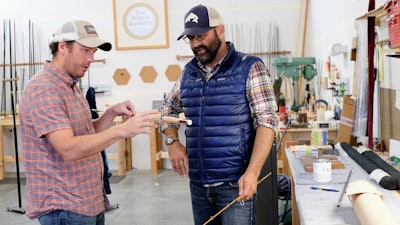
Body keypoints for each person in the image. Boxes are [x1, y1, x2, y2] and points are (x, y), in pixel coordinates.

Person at [19, 19, 160, 225]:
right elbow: (69, 148)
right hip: (65, 207)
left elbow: (84, 133)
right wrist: (121, 130)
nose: (92, 59)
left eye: (93, 52)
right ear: (63, 47)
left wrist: (110, 114)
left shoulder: (70, 85)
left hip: (86, 201)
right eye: (85, 51)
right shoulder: (45, 89)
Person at [160, 5, 278, 225]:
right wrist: (172, 141)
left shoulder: (250, 68)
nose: (196, 44)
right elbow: (167, 109)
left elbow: (267, 121)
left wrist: (252, 173)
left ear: (220, 31)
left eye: (201, 36)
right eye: (190, 38)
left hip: (236, 184)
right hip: (199, 185)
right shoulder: (189, 73)